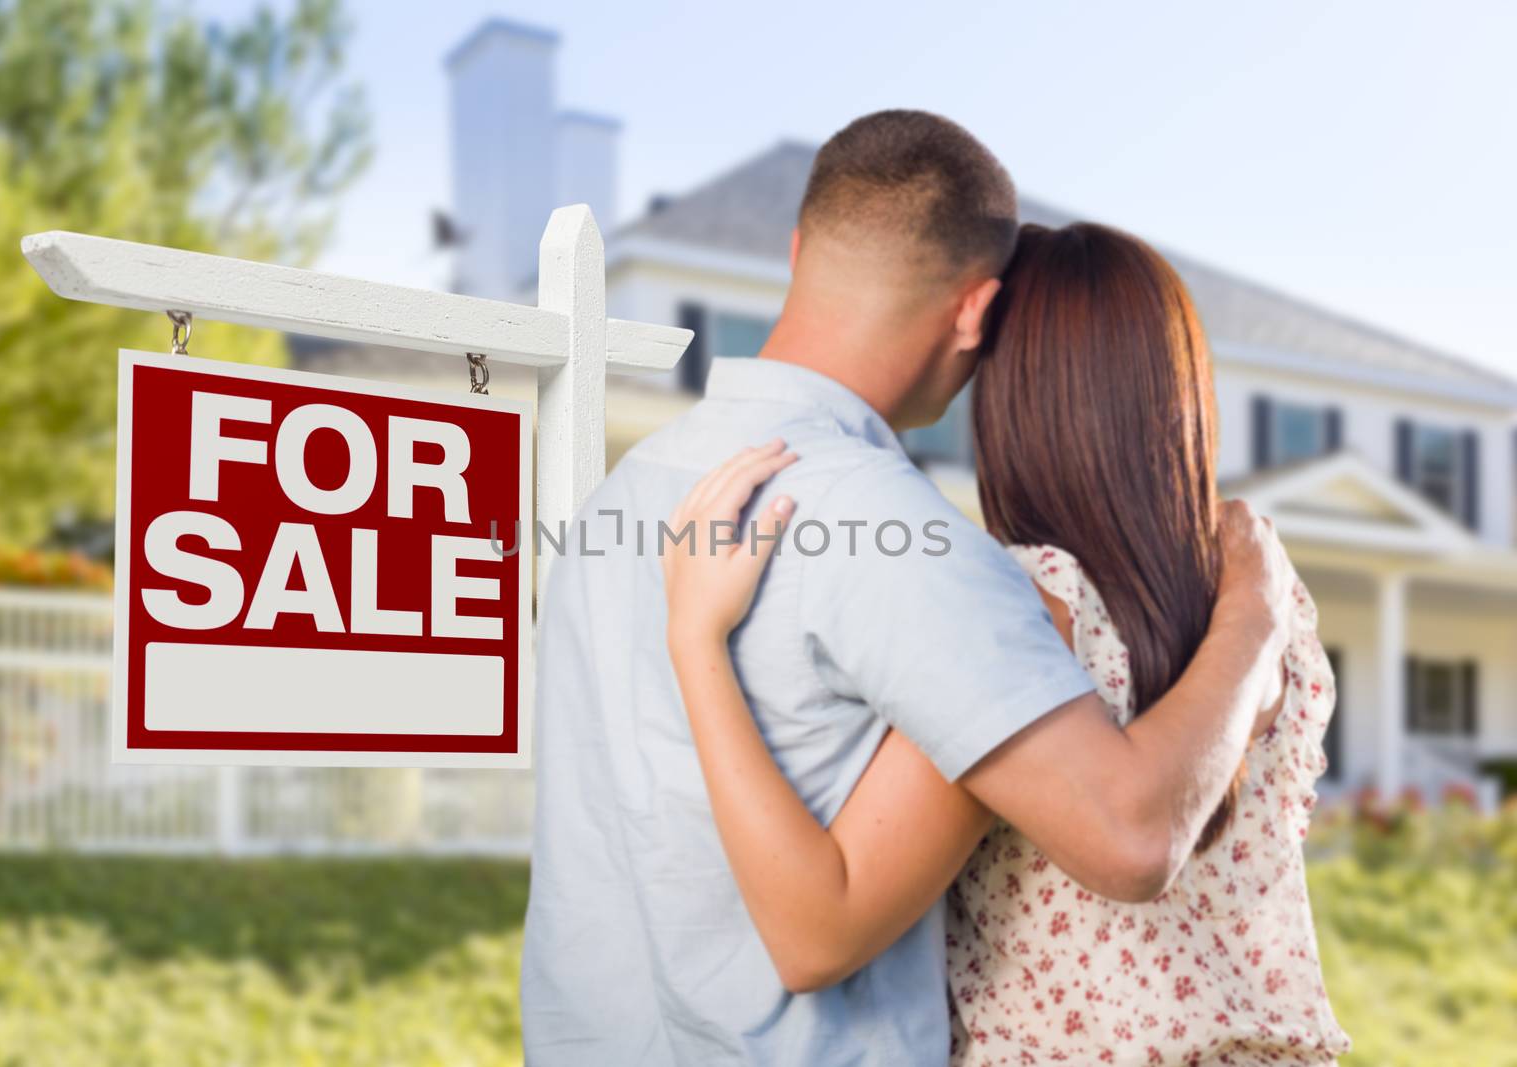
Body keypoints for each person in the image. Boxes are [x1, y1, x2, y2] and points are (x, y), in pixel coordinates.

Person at [522, 110, 1293, 1066]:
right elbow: (1130, 837)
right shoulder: (915, 545)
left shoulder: (612, 508)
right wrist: (1255, 614)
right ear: (976, 312)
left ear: (800, 247)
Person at [661, 222, 1349, 1064]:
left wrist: (696, 638)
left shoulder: (1029, 606)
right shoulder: (1270, 601)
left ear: (1016, 399)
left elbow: (818, 929)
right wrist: (1254, 616)